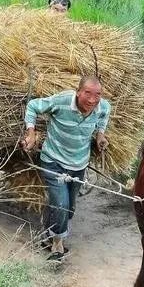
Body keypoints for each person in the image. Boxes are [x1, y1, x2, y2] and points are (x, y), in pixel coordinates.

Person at [22, 75, 110, 263]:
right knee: (61, 204)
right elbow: (33, 106)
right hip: (53, 161)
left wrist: (100, 135)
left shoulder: (102, 107)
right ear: (78, 92)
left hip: (79, 165)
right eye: (88, 94)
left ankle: (48, 232)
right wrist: (30, 133)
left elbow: (103, 117)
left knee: (68, 208)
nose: (93, 100)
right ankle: (57, 245)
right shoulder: (61, 101)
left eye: (98, 95)